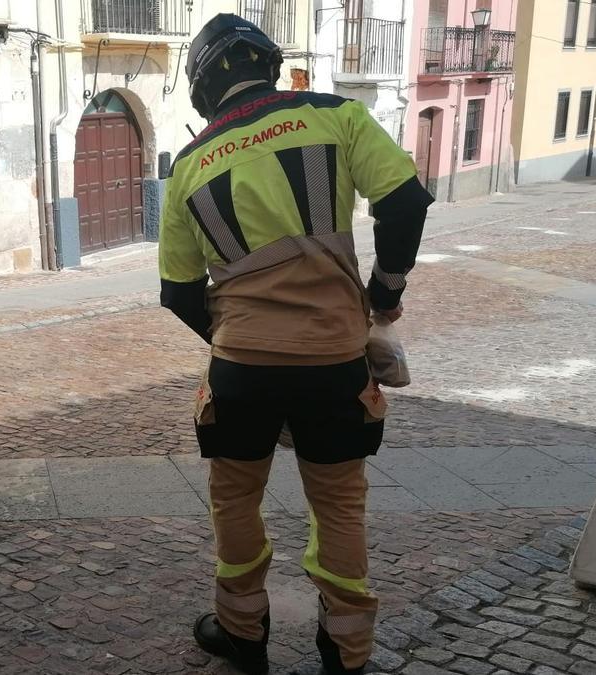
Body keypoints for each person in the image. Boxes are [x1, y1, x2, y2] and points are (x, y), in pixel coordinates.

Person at [158, 13, 433, 675]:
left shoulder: (189, 166)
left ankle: (242, 634)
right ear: (270, 65)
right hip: (335, 361)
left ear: (201, 89)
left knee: (234, 499)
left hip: (241, 368)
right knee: (338, 503)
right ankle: (346, 650)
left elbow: (178, 291)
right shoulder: (335, 116)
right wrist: (384, 293)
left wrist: (237, 337)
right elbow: (403, 203)